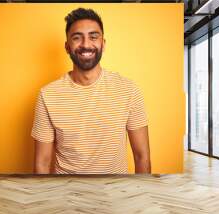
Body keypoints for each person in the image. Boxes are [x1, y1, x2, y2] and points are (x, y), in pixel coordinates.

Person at [31, 8, 150, 174]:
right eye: (77, 38)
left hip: (114, 194)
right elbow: (42, 163)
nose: (86, 44)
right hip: (67, 196)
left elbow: (142, 156)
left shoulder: (129, 90)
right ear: (67, 46)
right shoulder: (47, 95)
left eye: (93, 37)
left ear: (103, 44)